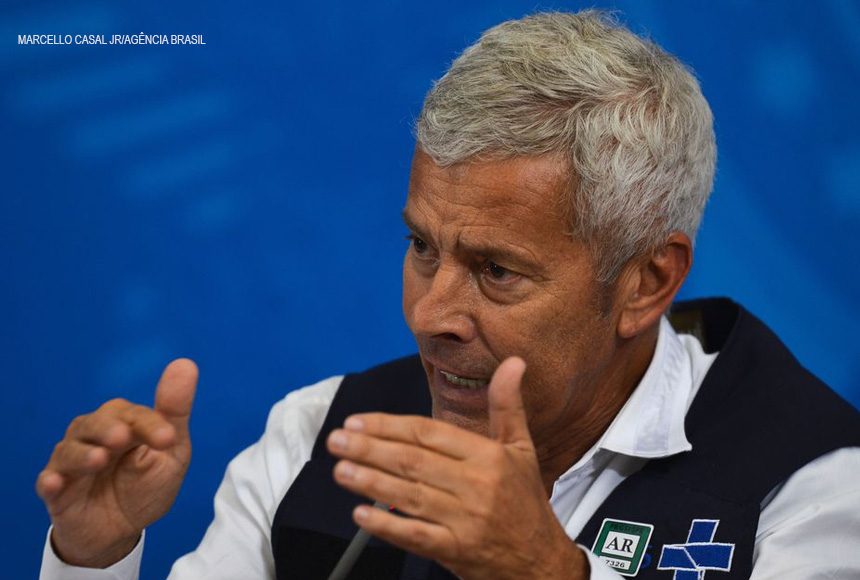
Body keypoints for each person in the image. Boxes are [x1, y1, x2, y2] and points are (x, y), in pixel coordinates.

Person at [37, 10, 860, 580]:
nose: (431, 315)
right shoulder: (321, 436)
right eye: (422, 248)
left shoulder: (814, 484)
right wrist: (92, 558)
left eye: (497, 271)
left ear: (647, 282)